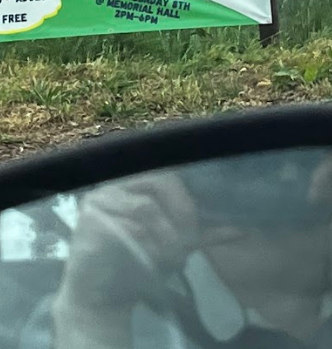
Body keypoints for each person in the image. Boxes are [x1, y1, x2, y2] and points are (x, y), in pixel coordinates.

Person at [51, 148, 332, 349]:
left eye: (299, 161)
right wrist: (92, 312)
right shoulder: (102, 293)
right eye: (215, 178)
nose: (244, 198)